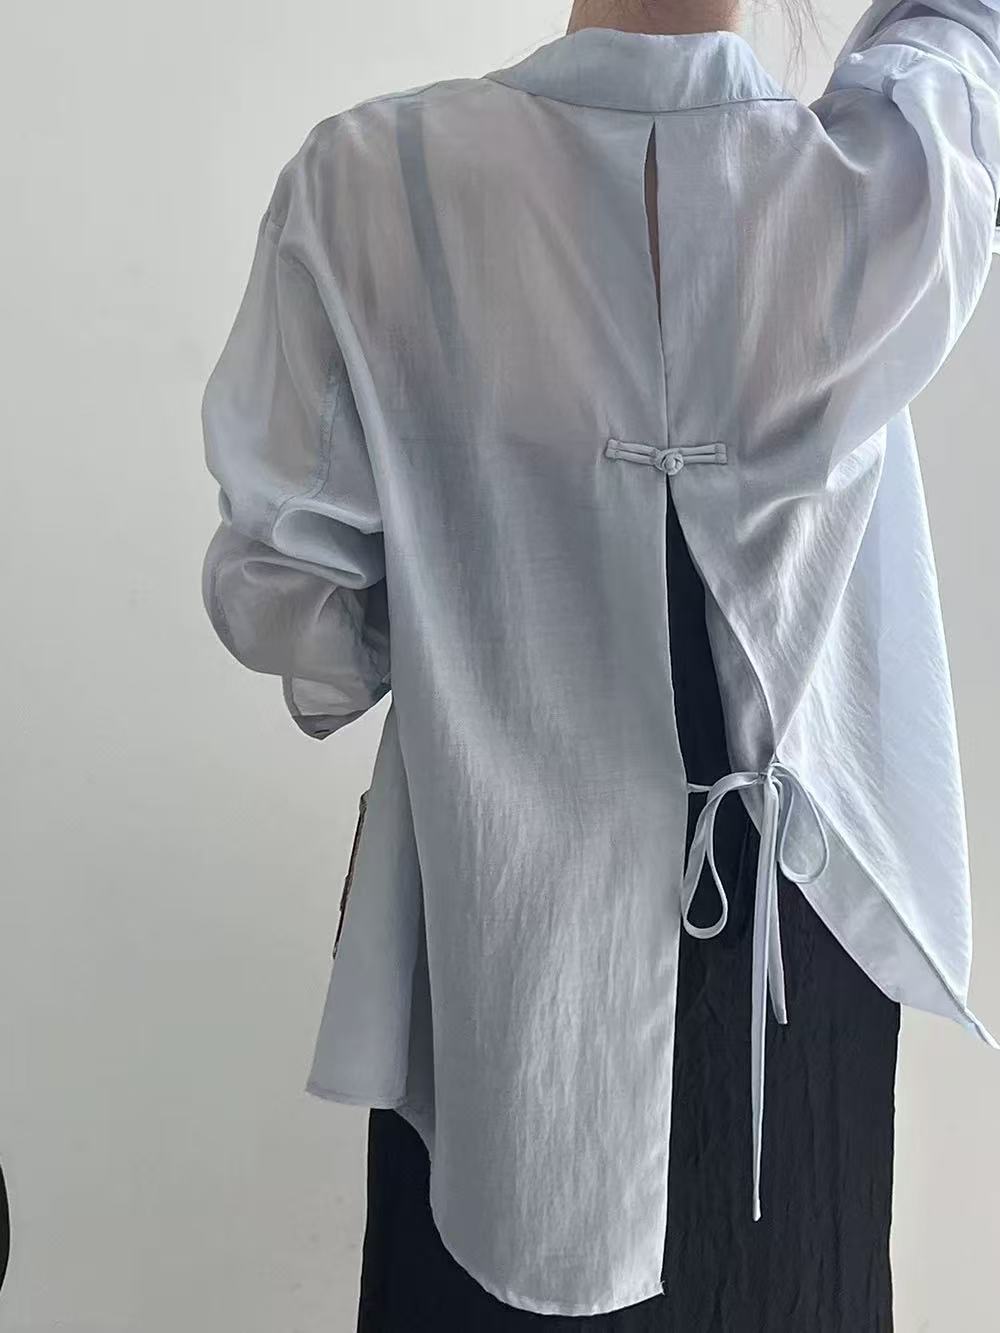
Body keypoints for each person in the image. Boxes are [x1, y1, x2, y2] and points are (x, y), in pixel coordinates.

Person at [199, 0, 1000, 1326]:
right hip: (793, 956)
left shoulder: (374, 184)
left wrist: (473, 604)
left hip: (500, 926)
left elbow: (290, 607)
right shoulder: (886, 188)